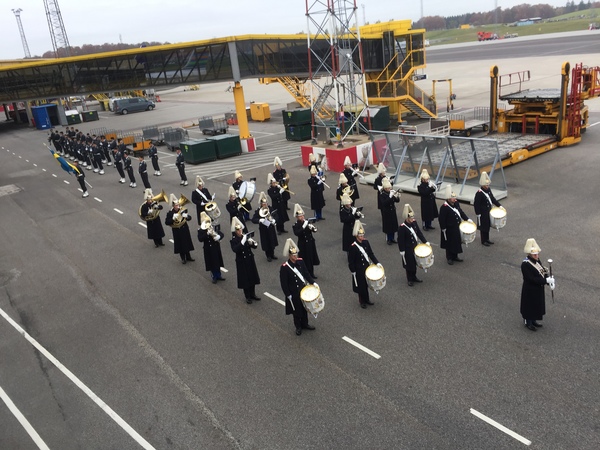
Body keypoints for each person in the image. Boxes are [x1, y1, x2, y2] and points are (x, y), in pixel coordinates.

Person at [280, 238, 316, 336]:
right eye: (293, 255)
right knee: (296, 311)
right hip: (293, 292)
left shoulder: (300, 262)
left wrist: (313, 282)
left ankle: (305, 324)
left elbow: (306, 274)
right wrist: (288, 294)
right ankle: (298, 326)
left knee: (304, 308)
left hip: (303, 290)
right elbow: (284, 283)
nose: (295, 256)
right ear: (289, 255)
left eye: (296, 254)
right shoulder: (285, 267)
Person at [521, 238, 555, 331]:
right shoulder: (525, 264)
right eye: (535, 255)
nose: (537, 256)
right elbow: (531, 279)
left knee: (536, 305)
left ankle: (533, 320)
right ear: (530, 255)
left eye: (537, 254)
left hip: (538, 288)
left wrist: (549, 280)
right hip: (530, 289)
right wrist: (545, 281)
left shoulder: (537, 260)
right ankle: (528, 322)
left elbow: (542, 271)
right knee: (530, 305)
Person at [348, 220, 381, 309]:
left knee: (366, 284)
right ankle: (362, 301)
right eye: (360, 235)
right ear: (356, 236)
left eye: (362, 235)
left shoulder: (366, 242)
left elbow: (370, 254)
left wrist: (377, 262)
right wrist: (353, 271)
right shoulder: (353, 247)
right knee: (361, 285)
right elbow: (351, 261)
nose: (362, 237)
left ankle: (367, 299)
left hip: (367, 267)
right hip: (359, 269)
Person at [439, 185, 472, 265]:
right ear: (449, 198)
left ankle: (455, 256)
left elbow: (460, 212)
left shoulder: (456, 204)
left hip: (457, 227)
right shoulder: (444, 207)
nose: (455, 199)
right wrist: (443, 228)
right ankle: (449, 258)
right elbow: (441, 219)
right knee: (449, 244)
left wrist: (467, 219)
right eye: (453, 198)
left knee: (456, 242)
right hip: (449, 228)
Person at [230, 217, 261, 304]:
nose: (240, 231)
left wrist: (253, 243)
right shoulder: (234, 240)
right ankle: (247, 296)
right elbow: (235, 250)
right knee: (245, 279)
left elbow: (253, 247)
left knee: (252, 276)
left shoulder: (245, 237)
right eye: (238, 230)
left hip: (249, 259)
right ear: (235, 231)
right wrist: (242, 242)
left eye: (241, 230)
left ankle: (253, 294)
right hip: (241, 261)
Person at [397, 204, 429, 286]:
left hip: (415, 246)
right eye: (411, 218)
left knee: (415, 263)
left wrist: (425, 241)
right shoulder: (402, 228)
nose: (412, 219)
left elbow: (419, 233)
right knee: (409, 264)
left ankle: (414, 276)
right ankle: (410, 279)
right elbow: (400, 240)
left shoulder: (414, 223)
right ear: (407, 218)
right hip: (407, 249)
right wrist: (402, 250)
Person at [474, 171, 503, 246]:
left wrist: (499, 205)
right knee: (483, 227)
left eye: (488, 185)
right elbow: (476, 204)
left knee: (487, 226)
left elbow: (492, 198)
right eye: (486, 185)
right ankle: (483, 240)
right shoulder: (479, 193)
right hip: (482, 213)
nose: (487, 186)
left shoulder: (488, 190)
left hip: (488, 211)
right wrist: (478, 213)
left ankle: (487, 239)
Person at [165, 194, 195, 264]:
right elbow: (167, 222)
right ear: (173, 206)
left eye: (178, 205)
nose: (178, 206)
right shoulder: (170, 213)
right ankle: (183, 258)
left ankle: (188, 256)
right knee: (180, 244)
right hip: (177, 230)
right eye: (176, 205)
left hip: (184, 229)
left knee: (186, 243)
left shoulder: (182, 210)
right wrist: (173, 218)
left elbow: (190, 218)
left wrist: (186, 216)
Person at [292, 203, 320, 279]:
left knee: (311, 258)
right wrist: (303, 227)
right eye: (300, 216)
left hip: (310, 242)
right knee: (304, 260)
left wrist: (312, 228)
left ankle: (312, 273)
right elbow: (297, 233)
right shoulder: (295, 225)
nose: (302, 217)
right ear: (297, 217)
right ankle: (305, 274)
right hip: (303, 244)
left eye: (302, 215)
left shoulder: (307, 222)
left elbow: (313, 230)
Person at [197, 212, 226, 284]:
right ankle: (214, 276)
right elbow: (200, 239)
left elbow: (221, 233)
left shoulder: (213, 227)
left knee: (217, 261)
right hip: (208, 248)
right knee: (212, 263)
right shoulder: (201, 230)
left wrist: (219, 236)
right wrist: (207, 234)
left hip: (215, 247)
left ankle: (219, 275)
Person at [251, 192, 279, 262]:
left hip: (271, 227)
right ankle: (268, 255)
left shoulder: (270, 208)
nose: (265, 204)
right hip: (264, 229)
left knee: (272, 241)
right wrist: (260, 220)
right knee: (266, 242)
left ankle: (272, 254)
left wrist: (274, 220)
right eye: (263, 203)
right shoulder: (258, 210)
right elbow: (253, 219)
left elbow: (276, 215)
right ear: (261, 204)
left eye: (265, 203)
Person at [379, 177, 400, 244]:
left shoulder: (390, 192)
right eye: (387, 188)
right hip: (387, 212)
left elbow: (397, 201)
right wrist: (390, 197)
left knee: (393, 225)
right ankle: (388, 239)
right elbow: (384, 203)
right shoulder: (382, 195)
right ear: (385, 188)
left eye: (389, 188)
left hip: (392, 211)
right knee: (388, 226)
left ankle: (392, 238)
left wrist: (397, 196)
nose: (389, 189)